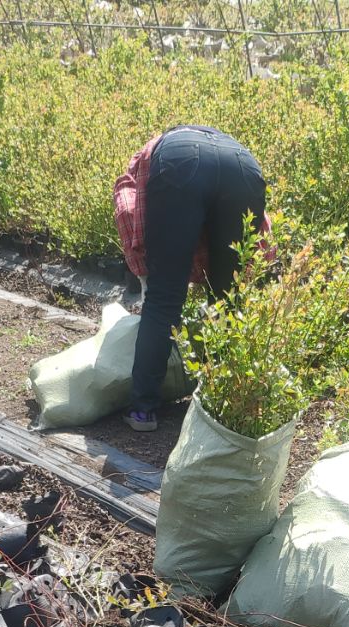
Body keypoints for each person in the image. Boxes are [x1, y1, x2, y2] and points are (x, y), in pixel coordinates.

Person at [114, 127, 268, 432]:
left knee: (164, 297)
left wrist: (149, 268)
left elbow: (131, 207)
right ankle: (223, 410)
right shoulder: (225, 144)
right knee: (229, 301)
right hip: (245, 165)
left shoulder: (150, 154)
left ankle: (143, 411)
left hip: (180, 161)